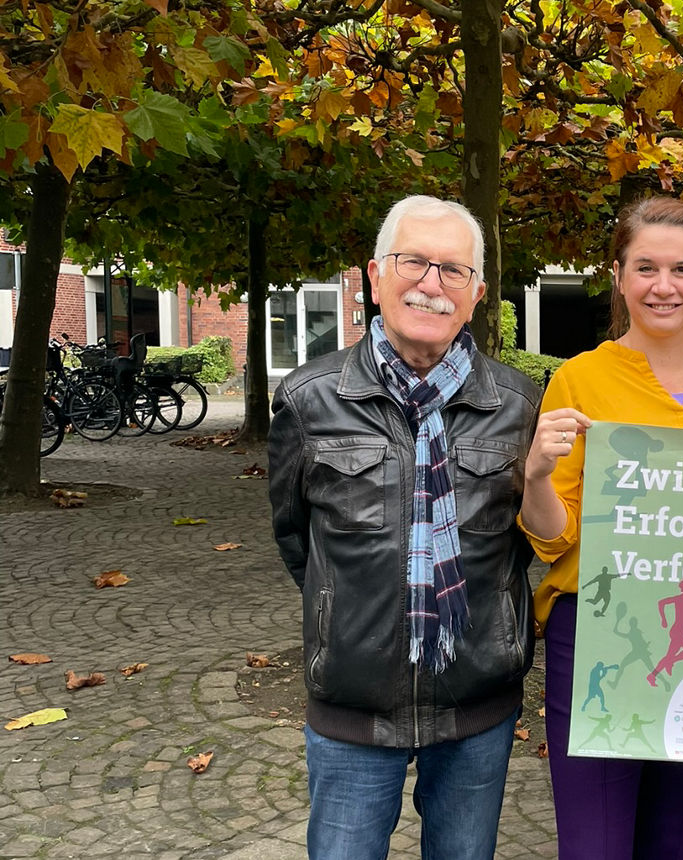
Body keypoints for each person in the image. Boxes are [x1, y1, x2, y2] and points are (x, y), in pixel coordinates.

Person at [267, 195, 540, 860]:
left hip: (477, 706)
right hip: (353, 707)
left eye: (453, 270)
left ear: (476, 294)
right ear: (375, 274)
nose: (430, 283)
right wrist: (344, 610)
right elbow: (296, 538)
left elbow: (524, 542)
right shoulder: (308, 400)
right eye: (413, 261)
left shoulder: (519, 405)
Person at [519, 195, 683, 859]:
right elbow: (555, 538)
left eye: (682, 269)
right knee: (593, 846)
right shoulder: (579, 379)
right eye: (646, 268)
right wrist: (537, 476)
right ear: (619, 276)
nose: (664, 286)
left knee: (672, 843)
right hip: (598, 632)